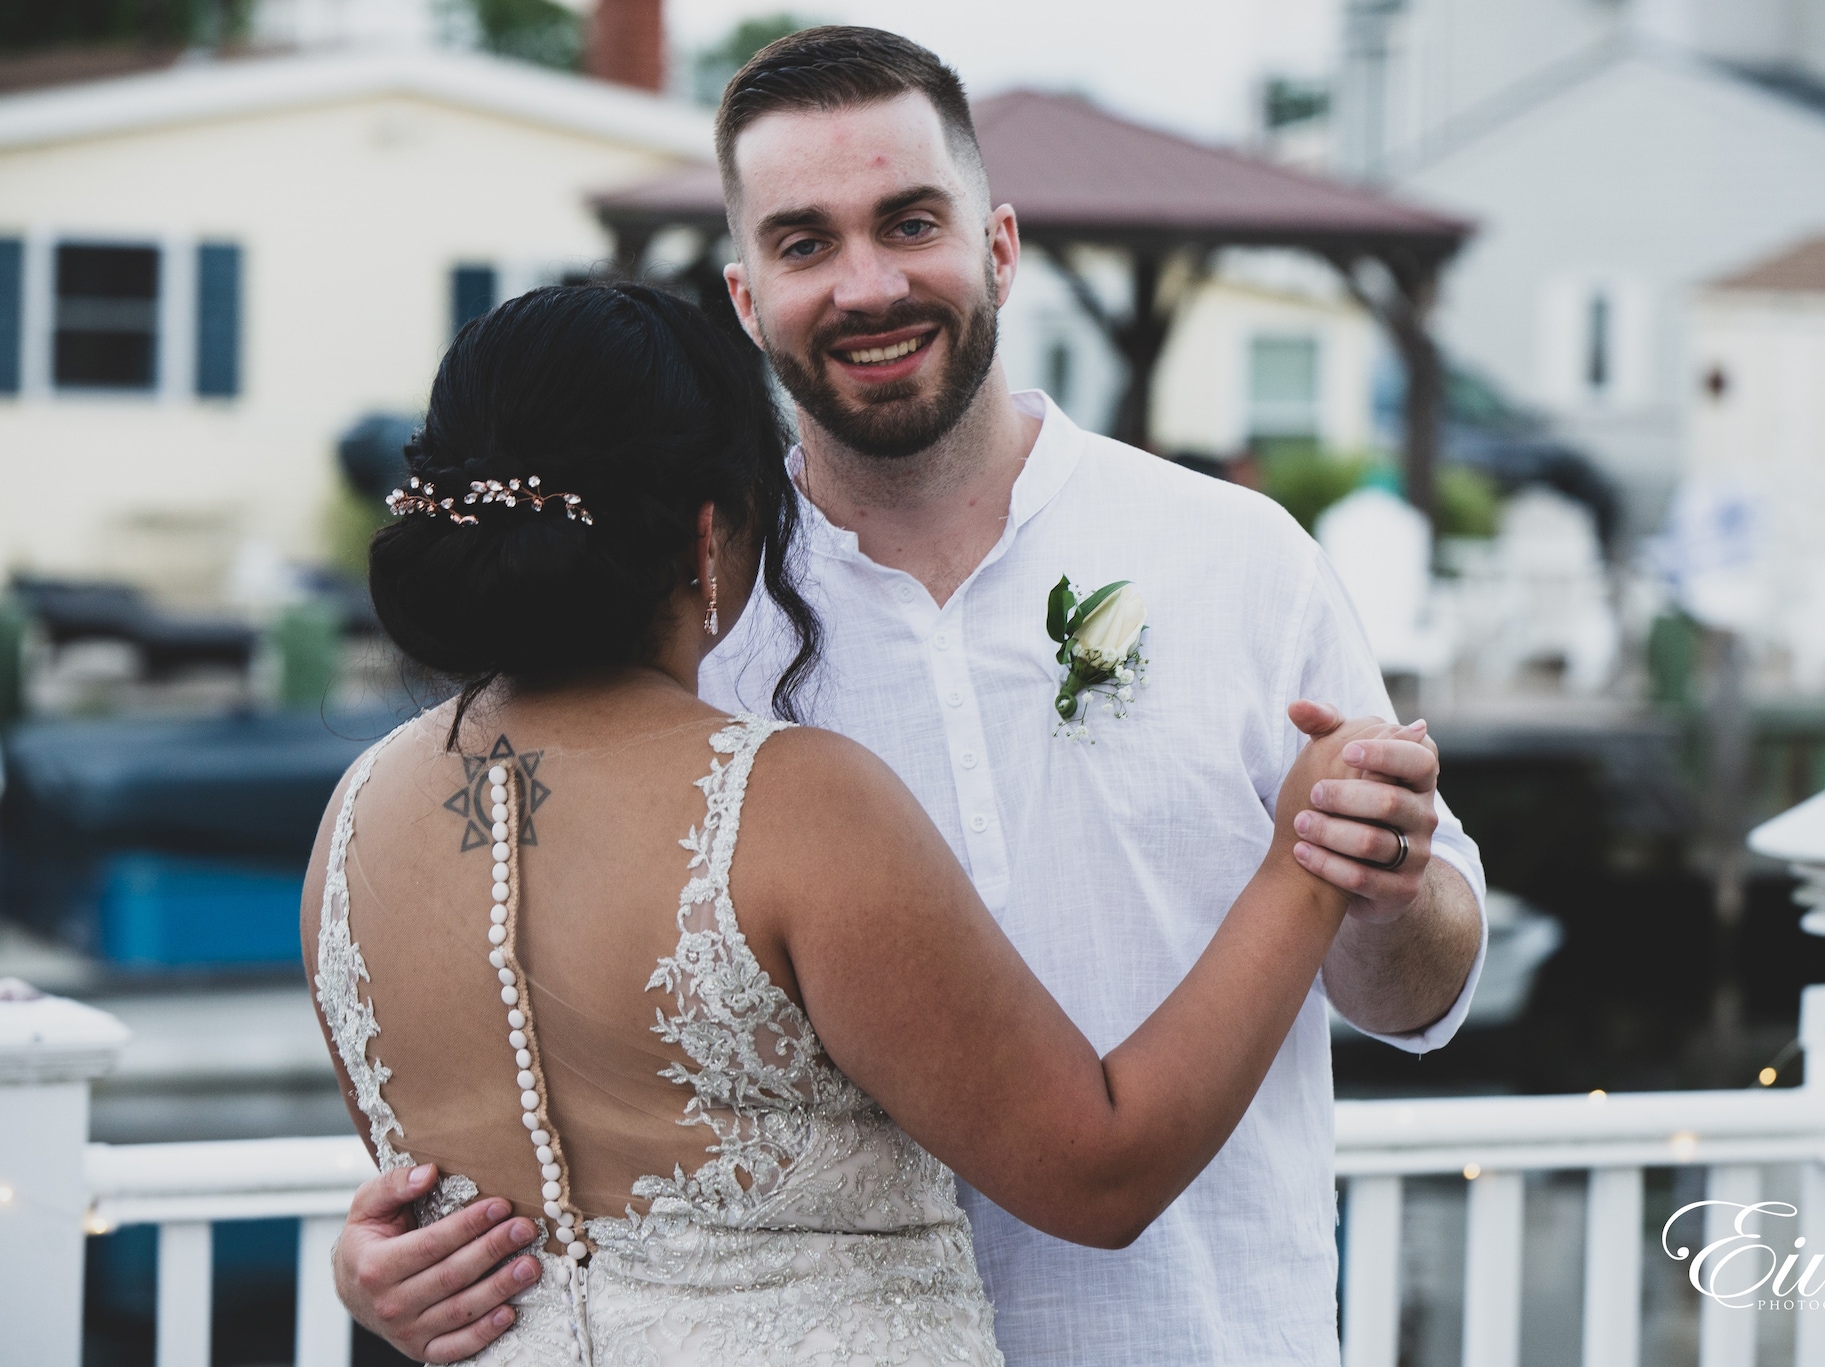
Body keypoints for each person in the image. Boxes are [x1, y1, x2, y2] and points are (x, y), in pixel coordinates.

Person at [329, 27, 1488, 1366]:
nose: (867, 284)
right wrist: (395, 1254)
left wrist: (1385, 879)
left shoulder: (1241, 560)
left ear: (999, 247)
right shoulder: (690, 619)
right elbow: (565, 1032)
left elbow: (1417, 996)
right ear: (747, 296)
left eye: (910, 223)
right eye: (806, 243)